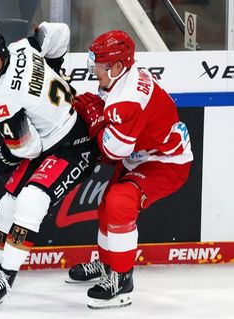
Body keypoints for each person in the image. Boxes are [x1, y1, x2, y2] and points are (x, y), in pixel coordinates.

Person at [0, 23, 97, 307]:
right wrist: (55, 68)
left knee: (32, 200)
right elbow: (61, 31)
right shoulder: (24, 46)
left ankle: (5, 276)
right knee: (8, 203)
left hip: (74, 146)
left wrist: (8, 153)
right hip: (50, 139)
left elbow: (28, 148)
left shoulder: (2, 99)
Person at [68, 30, 193, 309]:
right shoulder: (123, 77)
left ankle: (121, 281)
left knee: (119, 201)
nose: (94, 70)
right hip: (143, 154)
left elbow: (114, 150)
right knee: (106, 206)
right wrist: (89, 105)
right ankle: (107, 265)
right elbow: (110, 113)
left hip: (165, 162)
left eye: (98, 65)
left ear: (116, 66)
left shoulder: (128, 99)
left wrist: (95, 120)